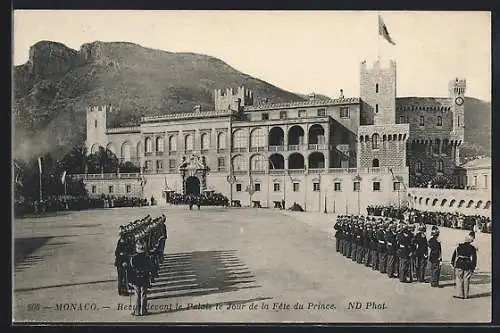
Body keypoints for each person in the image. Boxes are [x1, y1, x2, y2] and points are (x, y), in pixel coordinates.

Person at [129, 241, 153, 316]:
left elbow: (131, 270)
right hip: (144, 278)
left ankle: (136, 311)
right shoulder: (147, 258)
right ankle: (144, 310)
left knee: (137, 294)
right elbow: (150, 268)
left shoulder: (133, 258)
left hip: (136, 278)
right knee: (144, 294)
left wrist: (130, 280)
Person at [114, 230, 131, 296]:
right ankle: (121, 291)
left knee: (124, 277)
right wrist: (122, 255)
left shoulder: (125, 242)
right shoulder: (121, 242)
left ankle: (124, 290)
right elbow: (117, 253)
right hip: (120, 262)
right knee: (121, 277)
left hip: (124, 262)